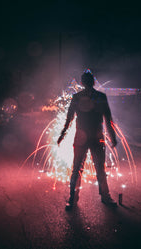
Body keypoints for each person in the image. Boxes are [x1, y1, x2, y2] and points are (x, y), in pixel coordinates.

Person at [57, 71, 118, 210]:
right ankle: (105, 196)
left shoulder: (77, 97)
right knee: (98, 169)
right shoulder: (100, 97)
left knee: (77, 169)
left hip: (83, 137)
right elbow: (108, 120)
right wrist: (112, 137)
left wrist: (62, 135)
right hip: (96, 137)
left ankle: (73, 199)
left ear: (82, 83)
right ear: (93, 82)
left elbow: (69, 119)